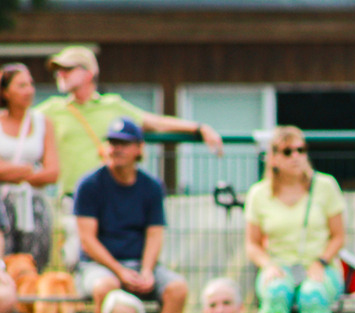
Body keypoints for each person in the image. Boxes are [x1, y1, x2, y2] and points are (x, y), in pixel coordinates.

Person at [35, 45, 223, 199]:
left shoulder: (112, 105)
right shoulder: (51, 109)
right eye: (58, 70)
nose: (61, 74)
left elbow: (156, 122)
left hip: (108, 197)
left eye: (68, 69)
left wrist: (200, 128)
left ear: (89, 73)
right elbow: (15, 124)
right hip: (70, 198)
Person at [74, 117, 188, 313]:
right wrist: (119, 270)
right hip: (98, 267)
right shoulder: (89, 184)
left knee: (177, 289)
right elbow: (88, 241)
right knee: (107, 288)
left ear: (139, 148)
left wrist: (147, 271)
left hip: (139, 264)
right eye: (112, 142)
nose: (116, 148)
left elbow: (155, 234)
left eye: (124, 143)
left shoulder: (152, 186)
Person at [244, 125, 347, 313]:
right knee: (276, 293)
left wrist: (320, 262)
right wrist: (267, 265)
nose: (297, 156)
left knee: (312, 295)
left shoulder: (325, 185)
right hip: (278, 267)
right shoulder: (258, 194)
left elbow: (338, 237)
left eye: (301, 149)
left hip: (321, 266)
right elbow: (252, 244)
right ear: (274, 157)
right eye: (288, 151)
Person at [0, 62, 75, 313]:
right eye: (21, 85)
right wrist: (25, 171)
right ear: (5, 91)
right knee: (9, 273)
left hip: (34, 209)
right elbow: (35, 171)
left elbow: (52, 172)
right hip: (4, 208)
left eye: (31, 84)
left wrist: (12, 173)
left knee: (33, 275)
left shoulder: (43, 123)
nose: (29, 90)